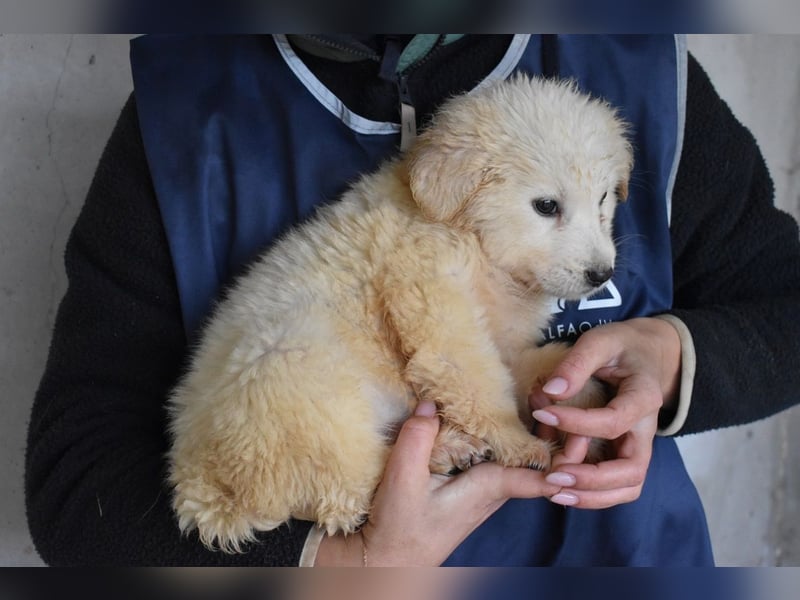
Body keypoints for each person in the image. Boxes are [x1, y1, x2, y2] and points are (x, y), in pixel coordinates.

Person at [25, 34, 800, 566]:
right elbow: (79, 487)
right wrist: (333, 565)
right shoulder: (179, 117)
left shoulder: (644, 74)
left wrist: (672, 359)